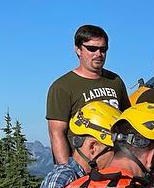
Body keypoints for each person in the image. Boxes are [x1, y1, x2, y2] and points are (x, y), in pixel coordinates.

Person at [29, 100, 119, 188]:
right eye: (112, 150)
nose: (115, 158)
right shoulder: (65, 175)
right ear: (93, 147)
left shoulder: (90, 178)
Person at [46, 24, 129, 166]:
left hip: (116, 165)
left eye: (103, 49)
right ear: (78, 50)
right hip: (83, 168)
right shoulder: (62, 87)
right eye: (92, 49)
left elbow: (127, 122)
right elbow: (57, 133)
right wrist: (66, 170)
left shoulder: (116, 81)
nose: (98, 54)